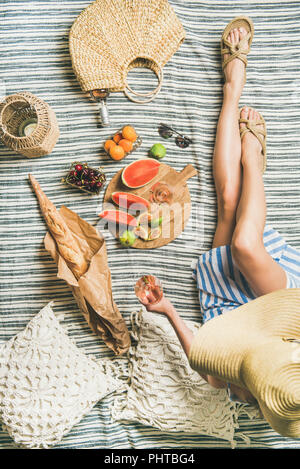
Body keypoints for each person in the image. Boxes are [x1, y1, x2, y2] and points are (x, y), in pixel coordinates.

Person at [138, 17, 300, 405]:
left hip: (228, 310)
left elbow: (207, 369)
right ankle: (253, 161)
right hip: (284, 310)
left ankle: (233, 87)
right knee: (245, 245)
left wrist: (167, 309)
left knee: (228, 200)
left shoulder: (264, 394)